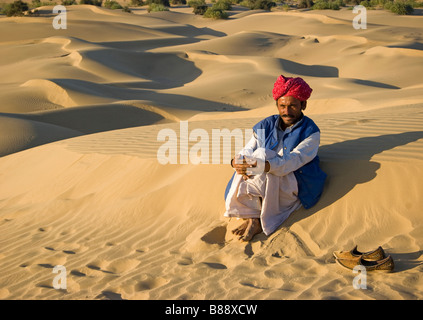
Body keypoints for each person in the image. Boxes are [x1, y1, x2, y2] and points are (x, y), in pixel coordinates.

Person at [223, 75, 327, 241]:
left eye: (293, 106)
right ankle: (253, 217)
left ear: (303, 105)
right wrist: (237, 162)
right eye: (282, 106)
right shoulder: (267, 124)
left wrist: (264, 165)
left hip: (294, 180)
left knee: (262, 155)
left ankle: (256, 218)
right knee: (249, 158)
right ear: (277, 105)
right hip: (262, 176)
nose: (286, 111)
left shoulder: (311, 132)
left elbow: (294, 160)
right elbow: (249, 148)